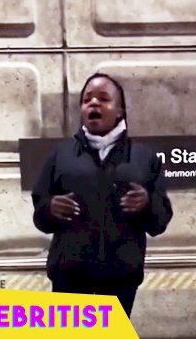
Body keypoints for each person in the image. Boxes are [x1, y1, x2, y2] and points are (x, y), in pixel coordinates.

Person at [32, 73, 173, 317]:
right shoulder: (61, 155)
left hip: (120, 278)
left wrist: (148, 205)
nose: (93, 104)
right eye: (87, 100)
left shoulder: (144, 158)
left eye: (103, 99)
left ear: (120, 110)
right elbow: (40, 216)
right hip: (70, 278)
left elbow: (159, 222)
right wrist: (49, 208)